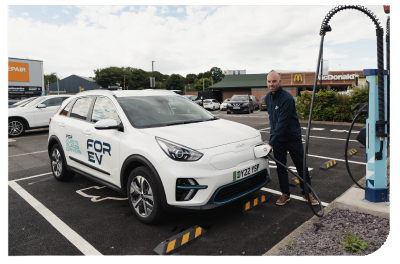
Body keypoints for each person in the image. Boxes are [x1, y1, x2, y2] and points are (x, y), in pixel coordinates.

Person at [265, 70, 318, 206]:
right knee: (280, 167)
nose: (271, 84)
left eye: (274, 81)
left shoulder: (286, 98)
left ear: (279, 82)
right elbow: (273, 120)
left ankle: (307, 193)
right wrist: (273, 139)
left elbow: (282, 122)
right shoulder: (267, 98)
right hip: (278, 140)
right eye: (269, 81)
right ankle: (285, 193)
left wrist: (270, 143)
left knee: (301, 165)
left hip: (292, 137)